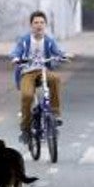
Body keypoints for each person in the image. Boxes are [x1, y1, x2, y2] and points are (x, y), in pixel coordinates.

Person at [9, 11, 70, 141]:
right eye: (36, 22)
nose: (39, 25)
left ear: (45, 25)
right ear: (31, 25)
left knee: (55, 79)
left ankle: (55, 113)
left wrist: (63, 56)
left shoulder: (48, 40)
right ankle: (25, 129)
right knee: (27, 96)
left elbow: (57, 51)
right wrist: (15, 58)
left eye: (42, 22)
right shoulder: (25, 40)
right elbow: (16, 51)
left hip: (43, 70)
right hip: (27, 72)